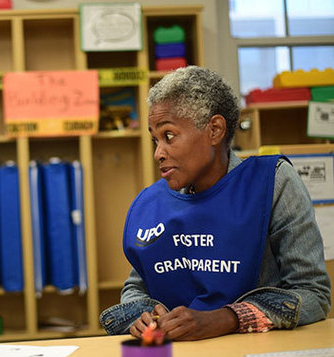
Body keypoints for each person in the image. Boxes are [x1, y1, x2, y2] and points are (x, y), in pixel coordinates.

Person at [99, 66, 331, 341]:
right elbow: (136, 288)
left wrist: (228, 318)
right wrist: (142, 314)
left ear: (215, 130)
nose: (158, 153)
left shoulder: (272, 182)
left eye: (169, 136)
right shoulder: (151, 204)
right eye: (155, 140)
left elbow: (313, 294)